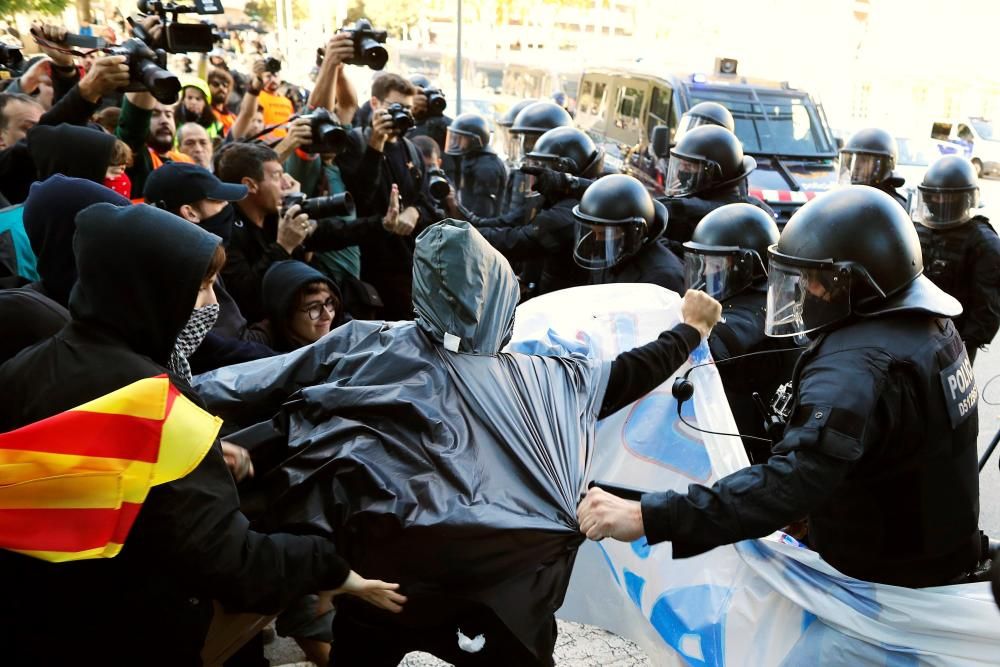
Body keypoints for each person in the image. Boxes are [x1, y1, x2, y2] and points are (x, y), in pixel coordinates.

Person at [194, 218, 723, 666]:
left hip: (384, 573)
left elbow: (259, 381)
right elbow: (628, 374)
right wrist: (691, 331)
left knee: (364, 646)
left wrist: (169, 398)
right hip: (496, 587)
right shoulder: (542, 379)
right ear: (500, 297)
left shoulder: (366, 344)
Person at [0, 202, 406, 665]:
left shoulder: (23, 367)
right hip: (127, 632)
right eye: (203, 286)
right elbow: (229, 561)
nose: (213, 303)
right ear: (151, 290)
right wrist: (328, 566)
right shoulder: (156, 403)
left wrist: (201, 459)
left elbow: (83, 488)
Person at [578, 185, 984, 590]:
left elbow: (793, 481)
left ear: (854, 282)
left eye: (814, 281)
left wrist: (645, 516)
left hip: (884, 580)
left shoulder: (857, 362)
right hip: (931, 550)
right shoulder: (930, 327)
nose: (805, 292)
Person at [215, 142, 391, 322]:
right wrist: (283, 247)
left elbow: (334, 232)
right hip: (265, 332)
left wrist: (384, 224)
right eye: (276, 177)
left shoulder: (276, 216)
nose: (286, 183)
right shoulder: (225, 231)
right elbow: (247, 295)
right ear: (250, 185)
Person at [682, 202, 800, 462]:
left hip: (750, 457)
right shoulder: (765, 298)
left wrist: (689, 332)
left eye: (713, 264)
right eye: (699, 262)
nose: (703, 273)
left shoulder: (758, 314)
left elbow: (726, 340)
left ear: (745, 266)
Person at [142, 162, 275, 372]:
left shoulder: (192, 253)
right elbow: (223, 347)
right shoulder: (185, 267)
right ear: (190, 213)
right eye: (219, 201)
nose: (228, 208)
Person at [338, 72, 441, 320]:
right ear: (375, 104)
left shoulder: (413, 150)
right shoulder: (356, 141)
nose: (402, 115)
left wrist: (413, 212)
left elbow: (429, 204)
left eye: (407, 108)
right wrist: (375, 145)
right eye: (395, 107)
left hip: (410, 267)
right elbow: (360, 198)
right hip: (368, 269)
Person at [471, 126, 606, 297]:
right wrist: (464, 222)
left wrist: (469, 234)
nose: (535, 175)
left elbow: (518, 240)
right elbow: (507, 222)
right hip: (542, 291)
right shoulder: (551, 198)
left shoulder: (572, 211)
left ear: (563, 170)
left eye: (542, 168)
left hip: (563, 303)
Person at [912, 155, 1000, 363]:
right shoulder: (917, 230)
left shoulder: (983, 242)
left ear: (965, 198)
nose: (939, 202)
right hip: (912, 333)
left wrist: (965, 347)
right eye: (934, 196)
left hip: (955, 342)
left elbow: (986, 306)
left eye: (947, 197)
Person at [660, 124, 775, 254]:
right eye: (680, 165)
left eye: (688, 167)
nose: (681, 171)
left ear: (712, 174)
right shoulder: (680, 207)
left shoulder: (755, 215)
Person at [570, 174, 685, 292]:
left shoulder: (662, 279)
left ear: (635, 232)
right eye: (593, 231)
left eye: (605, 234)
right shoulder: (608, 256)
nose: (597, 239)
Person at [254, 260, 348, 352]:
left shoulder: (347, 333)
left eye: (329, 303)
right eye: (314, 308)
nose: (327, 316)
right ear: (286, 314)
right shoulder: (260, 347)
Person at [444, 112, 508, 218]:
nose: (456, 142)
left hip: (482, 229)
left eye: (461, 138)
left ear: (474, 140)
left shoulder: (487, 167)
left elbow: (483, 211)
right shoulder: (471, 158)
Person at [839, 127, 908, 208]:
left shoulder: (894, 206)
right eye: (854, 160)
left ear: (883, 166)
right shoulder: (846, 198)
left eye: (864, 161)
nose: (857, 166)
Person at [176, 76, 224, 140]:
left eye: (198, 99)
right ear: (183, 99)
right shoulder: (174, 120)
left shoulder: (216, 126)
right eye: (189, 97)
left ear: (205, 103)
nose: (193, 102)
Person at [207, 67, 237, 135]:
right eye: (216, 84)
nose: (221, 87)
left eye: (225, 85)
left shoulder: (233, 118)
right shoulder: (204, 113)